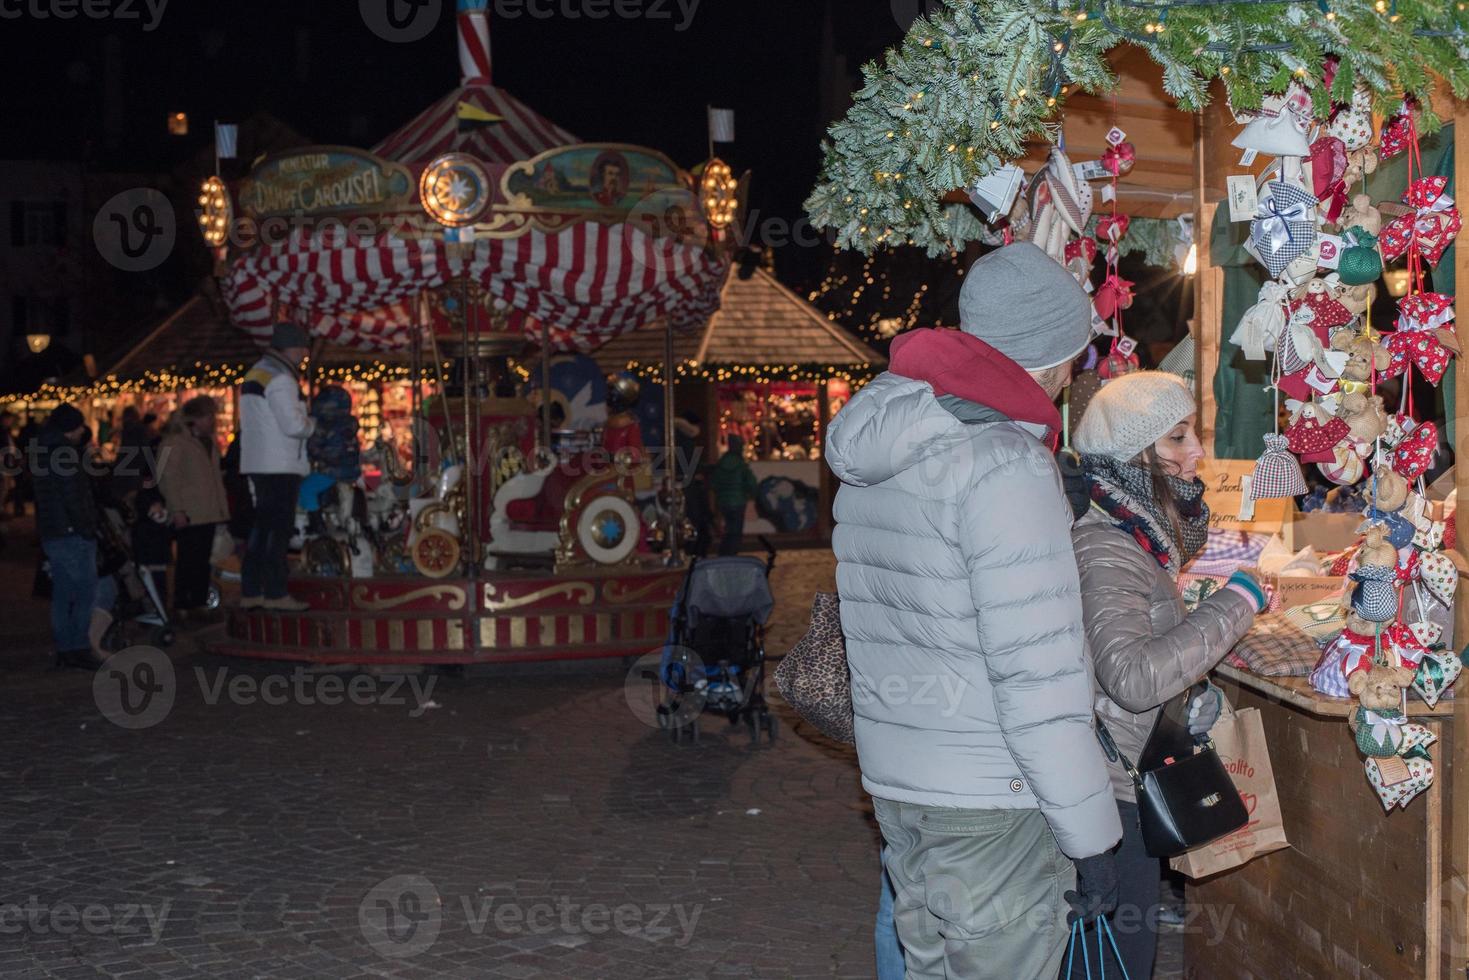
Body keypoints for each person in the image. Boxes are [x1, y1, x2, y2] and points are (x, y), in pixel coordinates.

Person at [826, 241, 1122, 979]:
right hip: (992, 798)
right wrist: (1091, 839)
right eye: (1074, 360)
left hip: (902, 783)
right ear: (1051, 359)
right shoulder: (1004, 464)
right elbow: (1038, 673)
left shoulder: (886, 440)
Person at [1067, 372, 1266, 978]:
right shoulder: (1108, 547)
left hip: (1123, 775)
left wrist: (1195, 688)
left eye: (1194, 435)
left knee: (1124, 955)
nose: (1197, 451)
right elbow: (1129, 677)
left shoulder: (1138, 537)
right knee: (1115, 961)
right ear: (1135, 456)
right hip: (1111, 789)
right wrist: (1237, 600)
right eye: (1177, 439)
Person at [239, 323, 315, 611]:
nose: (305, 354)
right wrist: (313, 424)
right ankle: (275, 592)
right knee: (277, 531)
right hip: (280, 463)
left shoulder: (257, 372)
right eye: (303, 348)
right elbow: (294, 425)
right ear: (293, 348)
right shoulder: (282, 379)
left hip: (259, 461)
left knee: (262, 528)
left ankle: (252, 589)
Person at [32, 403, 106, 669]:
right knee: (85, 591)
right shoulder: (63, 453)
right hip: (70, 532)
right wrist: (86, 527)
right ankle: (78, 646)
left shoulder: (43, 449)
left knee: (63, 593)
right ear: (70, 428)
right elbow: (73, 497)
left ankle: (66, 648)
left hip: (54, 531)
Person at [158, 395, 231, 621]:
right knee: (188, 560)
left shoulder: (206, 442)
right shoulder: (176, 442)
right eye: (209, 416)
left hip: (206, 509)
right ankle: (183, 603)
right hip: (190, 510)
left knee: (202, 560)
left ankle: (197, 602)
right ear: (196, 419)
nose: (213, 421)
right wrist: (177, 508)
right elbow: (167, 477)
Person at [710, 435, 757, 556]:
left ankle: (724, 552)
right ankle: (731, 554)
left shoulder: (721, 463)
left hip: (724, 502)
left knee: (729, 529)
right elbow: (751, 483)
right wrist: (751, 494)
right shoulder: (741, 464)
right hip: (738, 501)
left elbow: (714, 483)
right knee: (735, 531)